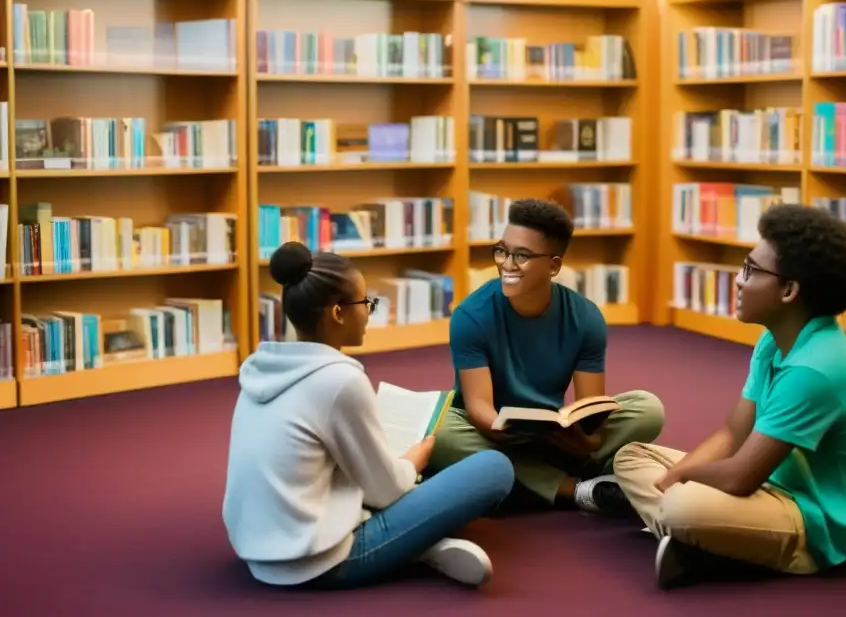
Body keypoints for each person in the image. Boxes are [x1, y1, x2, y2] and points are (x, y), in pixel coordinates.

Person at [613, 203, 846, 588]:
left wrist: (681, 477)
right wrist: (676, 478)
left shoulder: (814, 370)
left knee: (682, 506)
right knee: (632, 456)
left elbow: (741, 476)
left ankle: (713, 541)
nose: (739, 280)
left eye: (751, 270)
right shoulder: (773, 339)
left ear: (789, 291)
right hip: (770, 483)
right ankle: (706, 539)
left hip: (814, 517)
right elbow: (732, 433)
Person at [222, 242, 515, 590]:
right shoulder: (340, 380)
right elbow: (386, 492)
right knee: (494, 468)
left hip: (258, 555)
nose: (369, 312)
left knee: (374, 473)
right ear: (337, 313)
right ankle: (416, 546)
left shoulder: (260, 370)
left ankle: (424, 546)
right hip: (324, 561)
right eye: (366, 304)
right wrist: (412, 462)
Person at [428, 198, 665, 514]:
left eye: (522, 256)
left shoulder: (586, 318)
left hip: (553, 436)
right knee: (439, 430)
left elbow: (589, 408)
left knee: (648, 408)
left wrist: (588, 441)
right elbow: (479, 408)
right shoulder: (470, 316)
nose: (507, 264)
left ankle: (518, 485)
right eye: (502, 251)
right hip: (492, 436)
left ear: (554, 266)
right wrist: (508, 431)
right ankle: (576, 489)